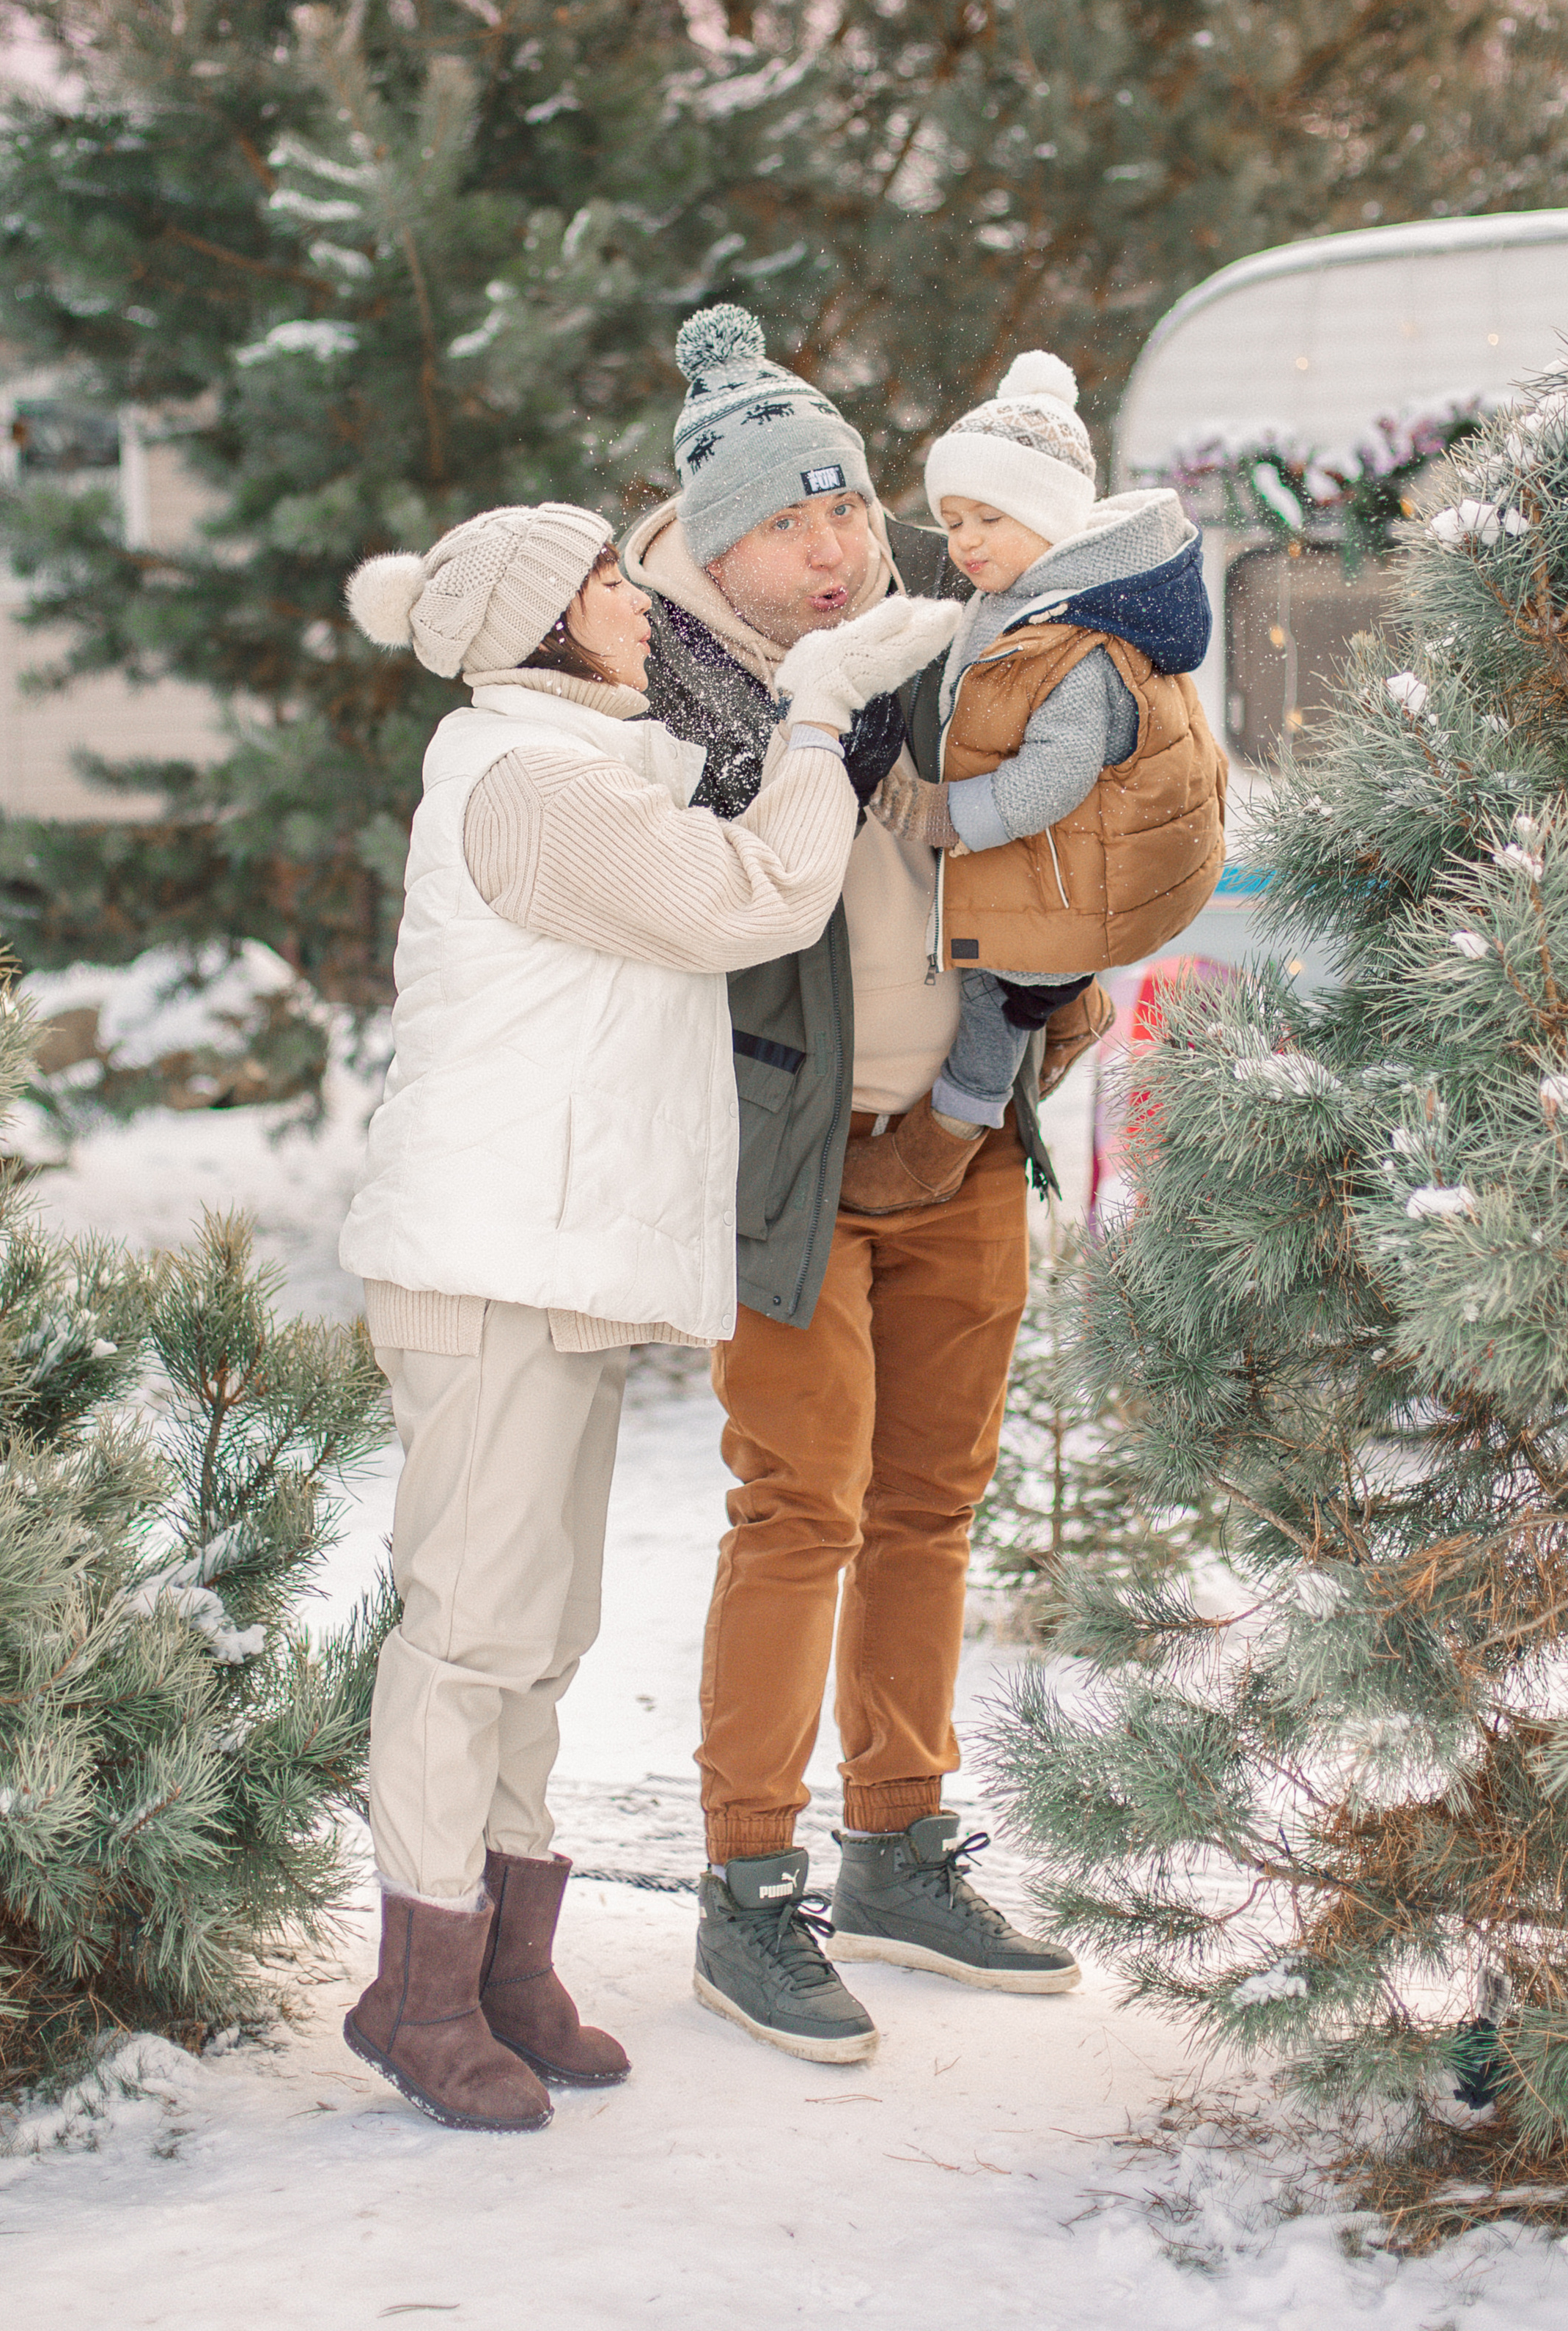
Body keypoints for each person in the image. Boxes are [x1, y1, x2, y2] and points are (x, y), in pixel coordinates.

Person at [336, 499, 956, 2132]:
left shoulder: (585, 765)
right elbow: (756, 897)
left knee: (535, 1639)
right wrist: (815, 711)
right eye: (604, 581)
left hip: (558, 1267)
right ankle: (414, 1987)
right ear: (538, 628)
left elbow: (709, 820)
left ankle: (506, 1967)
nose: (635, 600)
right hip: (487, 1267)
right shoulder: (523, 788)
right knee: (467, 1631)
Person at [627, 307, 1102, 2068]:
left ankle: (897, 1840)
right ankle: (745, 1882)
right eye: (791, 521)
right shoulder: (665, 698)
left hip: (964, 1141)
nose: (835, 547)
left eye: (846, 508)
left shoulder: (938, 638)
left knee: (926, 1503)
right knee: (797, 1507)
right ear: (720, 539)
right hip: (797, 1173)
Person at [836, 350, 1226, 1215]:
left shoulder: (1074, 642)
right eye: (953, 519)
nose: (965, 542)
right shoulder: (1022, 597)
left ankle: (945, 1142)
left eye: (988, 519)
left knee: (991, 994)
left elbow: (1051, 777)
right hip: (1054, 859)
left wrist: (952, 816)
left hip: (1065, 869)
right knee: (1009, 986)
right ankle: (1048, 1016)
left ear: (1050, 522)